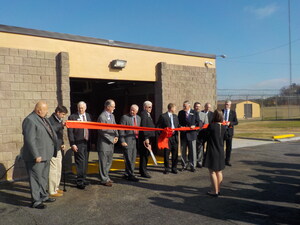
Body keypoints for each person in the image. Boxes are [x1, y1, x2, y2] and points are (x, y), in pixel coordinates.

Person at [22, 101, 58, 209]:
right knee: (35, 179)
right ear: (39, 110)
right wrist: (36, 155)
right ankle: (36, 201)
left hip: (46, 154)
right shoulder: (30, 120)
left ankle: (43, 196)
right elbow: (30, 140)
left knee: (43, 178)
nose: (47, 112)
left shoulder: (44, 119)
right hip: (37, 157)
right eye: (45, 110)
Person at [68, 101, 92, 189]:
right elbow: (70, 132)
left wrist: (92, 142)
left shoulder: (88, 116)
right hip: (78, 142)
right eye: (79, 108)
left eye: (82, 108)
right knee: (79, 162)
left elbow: (91, 130)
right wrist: (72, 143)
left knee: (85, 162)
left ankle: (84, 178)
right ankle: (79, 181)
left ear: (85, 108)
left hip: (86, 142)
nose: (80, 109)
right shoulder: (72, 117)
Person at [204, 110, 226, 197]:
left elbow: (204, 136)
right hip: (220, 150)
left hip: (212, 150)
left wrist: (202, 129)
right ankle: (218, 189)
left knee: (212, 171)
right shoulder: (224, 127)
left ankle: (214, 190)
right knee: (219, 171)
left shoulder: (212, 126)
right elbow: (226, 137)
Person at [97, 99, 118, 186]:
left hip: (111, 143)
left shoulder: (112, 116)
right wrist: (111, 139)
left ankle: (107, 177)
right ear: (108, 107)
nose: (114, 108)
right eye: (113, 106)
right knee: (103, 161)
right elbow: (102, 131)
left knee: (109, 161)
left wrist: (117, 135)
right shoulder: (102, 117)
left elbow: (115, 126)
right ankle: (104, 179)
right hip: (104, 143)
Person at [48, 105, 68, 197]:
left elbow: (60, 134)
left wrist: (63, 143)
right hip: (53, 149)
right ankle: (51, 190)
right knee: (53, 170)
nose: (63, 116)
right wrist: (61, 125)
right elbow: (52, 131)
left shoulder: (59, 120)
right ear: (58, 112)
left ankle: (56, 187)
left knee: (58, 168)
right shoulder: (50, 120)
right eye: (63, 114)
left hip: (59, 147)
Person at [119, 104, 141, 182]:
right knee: (128, 158)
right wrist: (122, 141)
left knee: (133, 158)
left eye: (133, 110)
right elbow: (121, 129)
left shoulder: (138, 118)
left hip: (135, 141)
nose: (132, 111)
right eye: (131, 110)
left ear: (137, 111)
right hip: (127, 141)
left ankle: (128, 173)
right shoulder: (125, 117)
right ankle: (131, 174)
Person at [156, 103, 180, 174]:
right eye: (174, 108)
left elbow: (178, 125)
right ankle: (166, 168)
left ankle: (174, 168)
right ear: (171, 108)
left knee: (175, 153)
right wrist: (162, 135)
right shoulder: (163, 116)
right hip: (167, 138)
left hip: (174, 137)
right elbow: (158, 127)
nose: (175, 109)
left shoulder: (176, 116)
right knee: (166, 153)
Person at [178, 100, 200, 172]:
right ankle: (184, 165)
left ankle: (193, 166)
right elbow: (178, 123)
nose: (184, 107)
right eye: (183, 106)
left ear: (189, 106)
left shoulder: (194, 112)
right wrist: (180, 126)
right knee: (183, 151)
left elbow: (199, 122)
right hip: (183, 135)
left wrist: (195, 126)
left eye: (185, 106)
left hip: (192, 134)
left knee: (192, 151)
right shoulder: (181, 113)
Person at [139, 101, 155, 178]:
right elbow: (144, 127)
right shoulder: (144, 114)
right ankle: (143, 171)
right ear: (145, 107)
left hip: (149, 137)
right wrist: (146, 138)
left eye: (151, 107)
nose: (151, 108)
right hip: (146, 138)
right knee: (144, 155)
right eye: (149, 107)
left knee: (146, 155)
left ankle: (143, 169)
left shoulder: (148, 114)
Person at [222, 100, 238, 166]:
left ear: (230, 105)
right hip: (222, 132)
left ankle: (227, 160)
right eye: (226, 104)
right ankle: (221, 160)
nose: (227, 105)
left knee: (229, 147)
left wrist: (230, 123)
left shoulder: (233, 112)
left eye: (228, 104)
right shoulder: (221, 111)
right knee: (221, 147)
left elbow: (236, 122)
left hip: (229, 132)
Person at [194, 102, 208, 168]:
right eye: (196, 106)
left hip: (201, 134)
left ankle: (199, 162)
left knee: (200, 149)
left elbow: (206, 125)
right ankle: (193, 162)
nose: (198, 107)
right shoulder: (191, 114)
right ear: (194, 107)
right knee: (193, 149)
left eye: (199, 106)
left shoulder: (204, 115)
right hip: (193, 134)